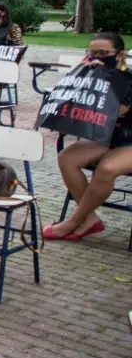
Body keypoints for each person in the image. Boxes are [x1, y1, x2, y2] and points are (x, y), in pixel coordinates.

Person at [47, 32, 132, 240]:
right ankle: (89, 219)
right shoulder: (87, 74)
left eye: (103, 53)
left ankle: (75, 220)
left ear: (119, 56)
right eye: (92, 53)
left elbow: (116, 111)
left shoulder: (128, 78)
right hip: (108, 137)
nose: (97, 57)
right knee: (67, 158)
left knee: (106, 169)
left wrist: (103, 76)